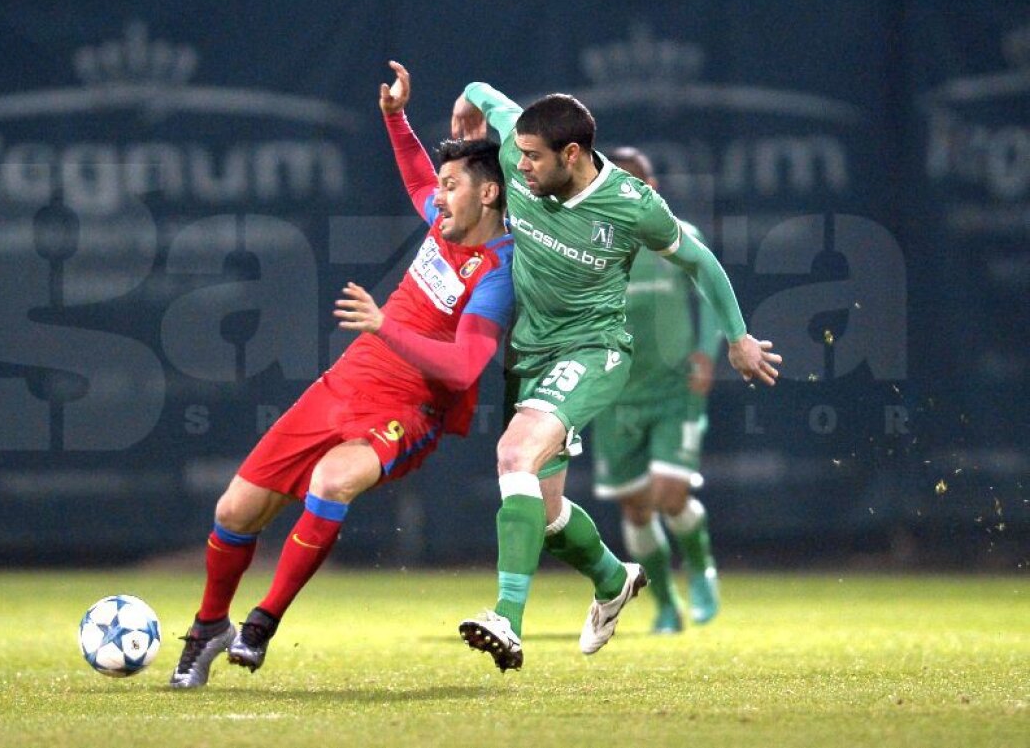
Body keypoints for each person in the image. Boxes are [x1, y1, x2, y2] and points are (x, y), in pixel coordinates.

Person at [169, 61, 513, 688]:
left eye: (451, 184)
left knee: (333, 480)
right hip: (343, 385)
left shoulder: (498, 268)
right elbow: (415, 176)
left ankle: (261, 624)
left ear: (488, 193)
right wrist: (395, 118)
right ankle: (208, 626)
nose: (436, 195)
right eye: (439, 185)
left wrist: (387, 327)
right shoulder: (445, 223)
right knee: (236, 510)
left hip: (407, 408)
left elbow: (464, 369)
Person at [451, 84, 781, 671]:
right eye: (518, 152)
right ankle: (613, 579)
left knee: (513, 456)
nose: (519, 166)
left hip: (594, 349)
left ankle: (507, 617)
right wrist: (469, 108)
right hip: (529, 355)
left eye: (533, 157)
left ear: (571, 154)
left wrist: (737, 337)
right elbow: (482, 92)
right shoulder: (513, 150)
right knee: (547, 516)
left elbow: (700, 262)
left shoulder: (633, 206)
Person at [589, 147, 722, 634]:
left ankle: (702, 572)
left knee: (670, 495)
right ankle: (666, 605)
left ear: (651, 189)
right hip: (616, 394)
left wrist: (708, 351)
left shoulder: (679, 236)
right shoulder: (592, 246)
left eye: (634, 185)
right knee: (635, 507)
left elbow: (710, 290)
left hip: (673, 389)